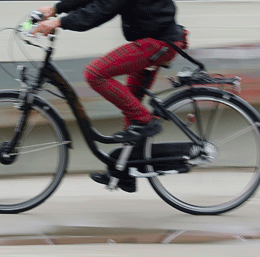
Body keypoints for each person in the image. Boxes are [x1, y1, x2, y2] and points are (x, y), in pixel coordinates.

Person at [33, 0, 188, 193]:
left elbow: (101, 10)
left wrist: (60, 22)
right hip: (157, 39)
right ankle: (126, 172)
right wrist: (56, 9)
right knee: (130, 102)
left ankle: (146, 122)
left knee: (95, 73)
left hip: (157, 43)